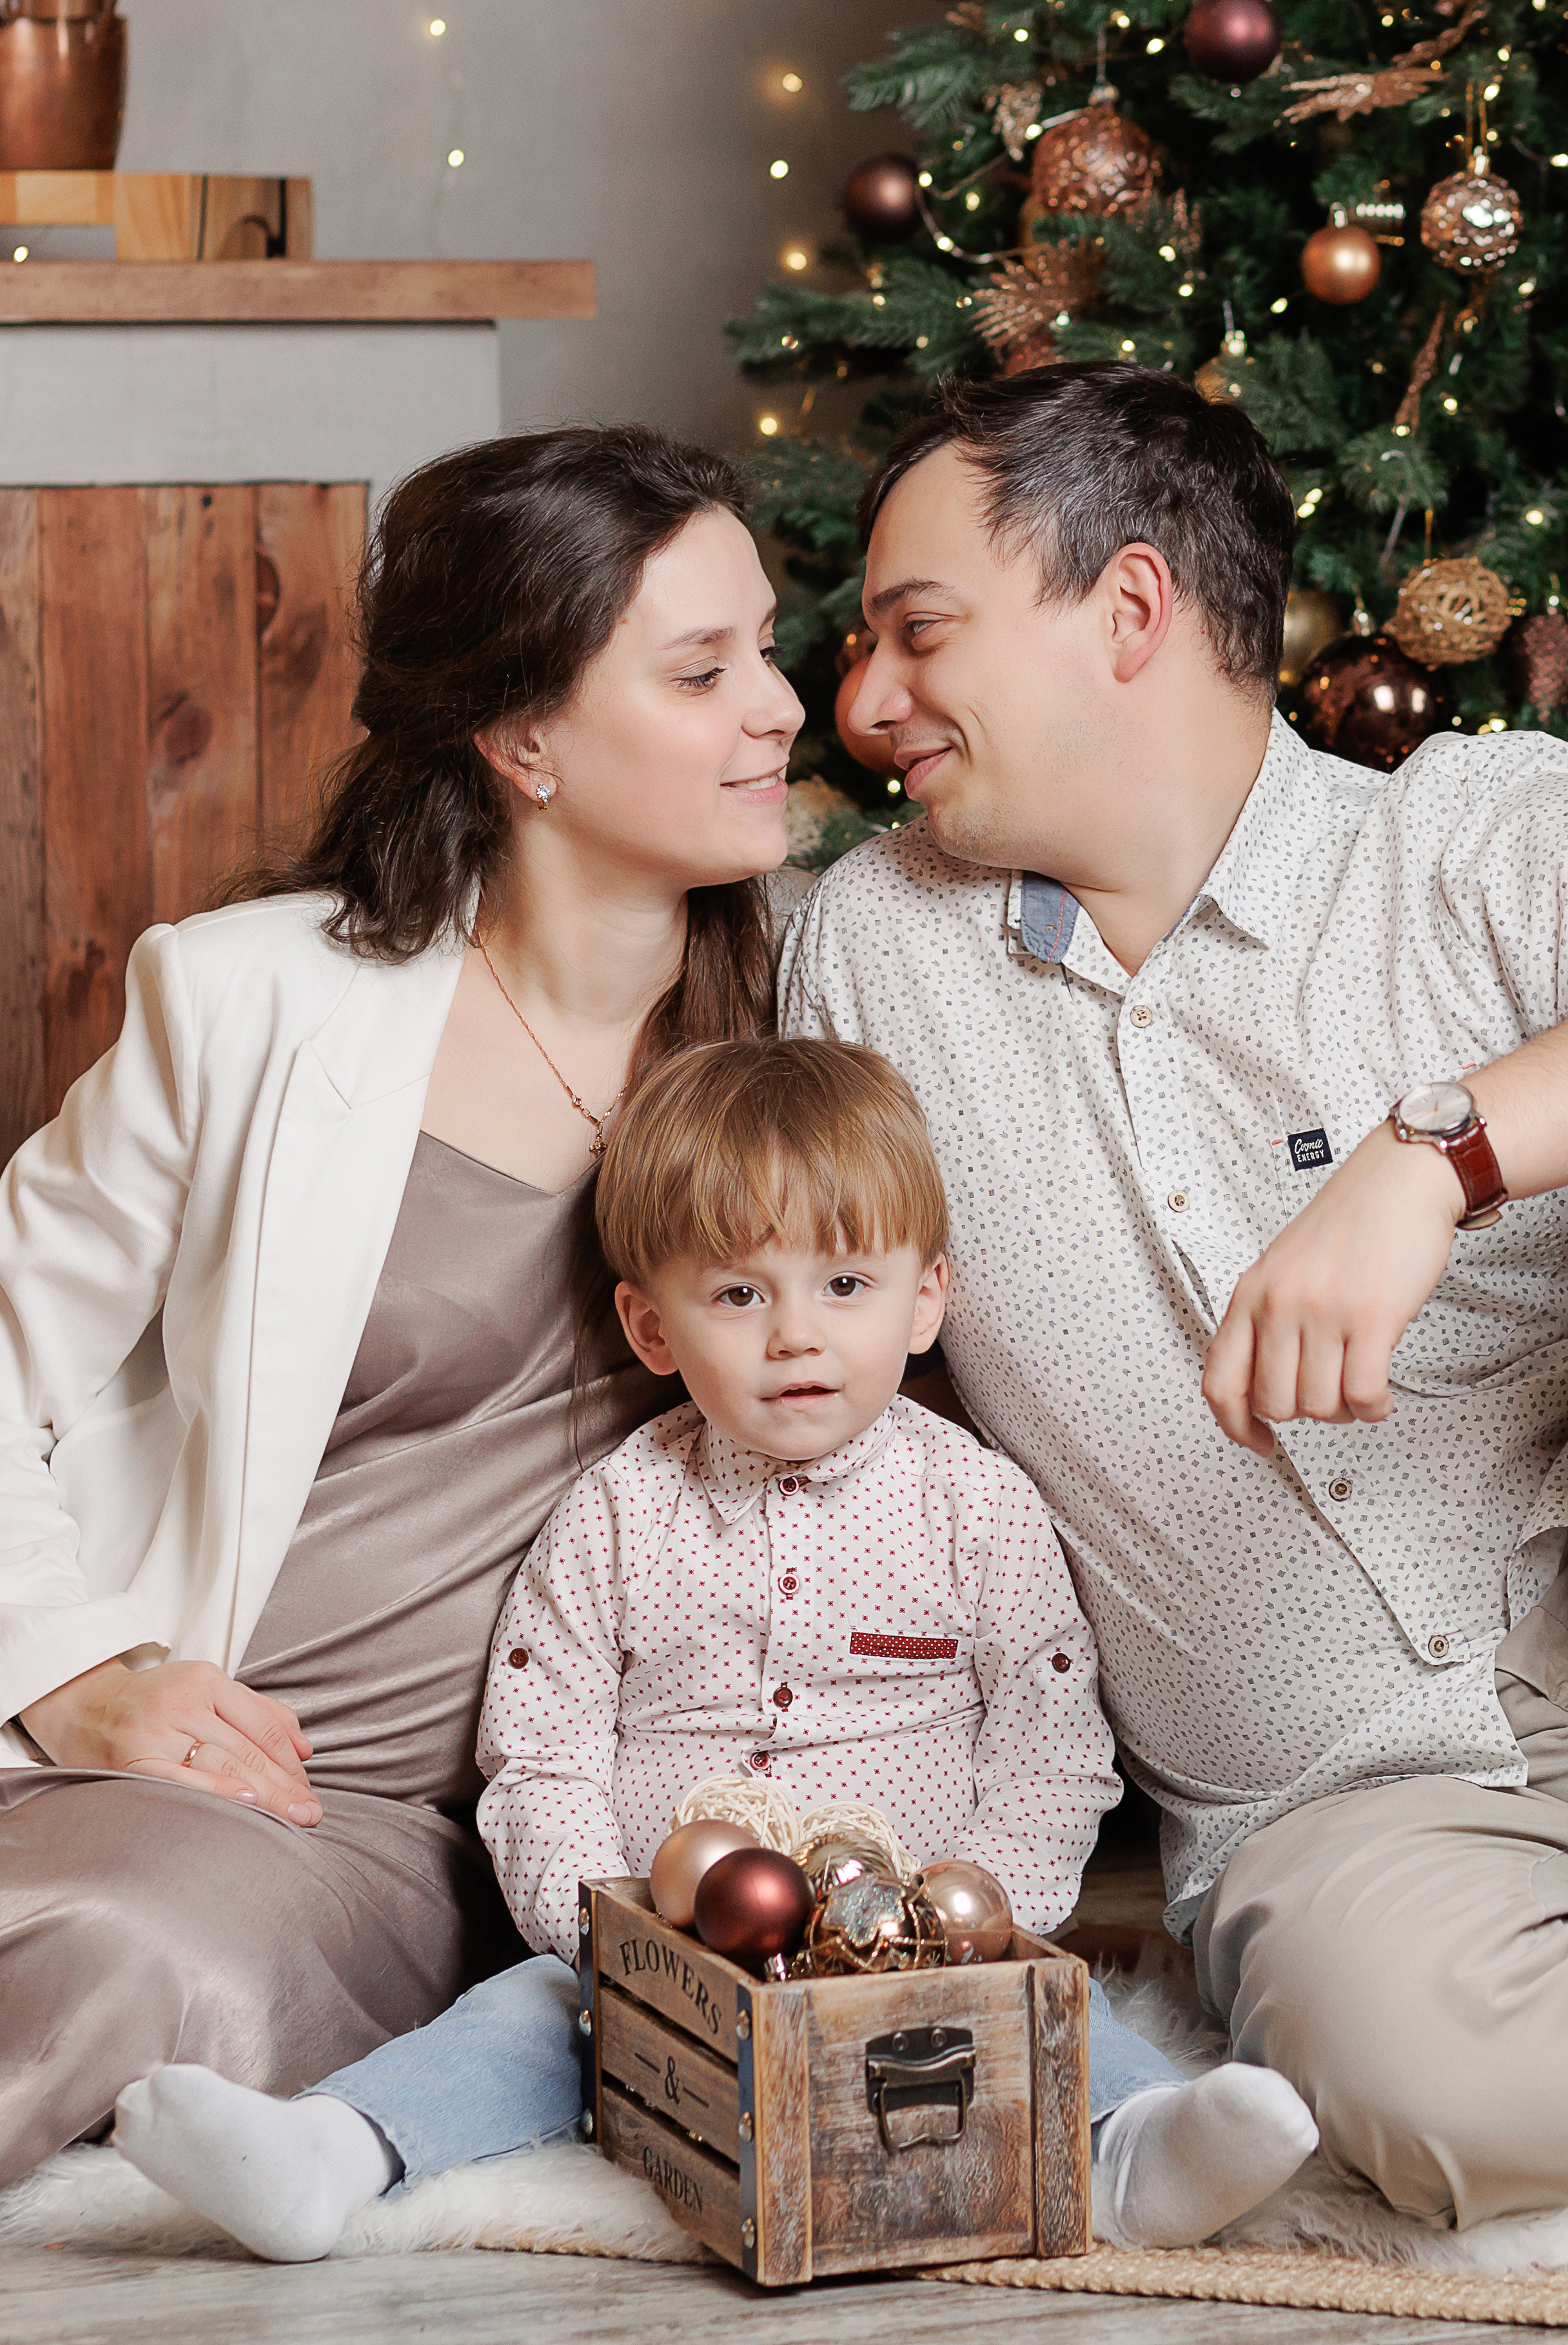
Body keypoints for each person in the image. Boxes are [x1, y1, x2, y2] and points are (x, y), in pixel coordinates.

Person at [778, 361, 1568, 2231]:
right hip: (1344, 1797)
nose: (863, 703)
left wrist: (1438, 1153)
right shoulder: (881, 954)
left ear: (1128, 609)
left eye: (917, 635)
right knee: (1442, 2092)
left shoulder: (1470, 842)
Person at [112, 1036, 1318, 2261]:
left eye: (846, 1286)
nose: (797, 1335)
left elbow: (1051, 1746)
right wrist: (607, 1934)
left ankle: (1133, 2152)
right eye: (740, 1295)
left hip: (912, 1941)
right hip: (663, 1951)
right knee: (522, 2020)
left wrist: (977, 1913)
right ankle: (335, 2153)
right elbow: (541, 1749)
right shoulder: (620, 1512)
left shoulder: (976, 1506)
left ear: (927, 1300)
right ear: (649, 1326)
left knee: (1029, 2002)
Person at [0, 424, 805, 2186]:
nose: (784, 707)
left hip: (524, 1824)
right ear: (523, 741)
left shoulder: (828, 1009)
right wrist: (67, 1668)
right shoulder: (248, 1006)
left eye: (772, 643)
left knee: (141, 1957)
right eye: (704, 668)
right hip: (228, 1757)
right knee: (102, 1912)